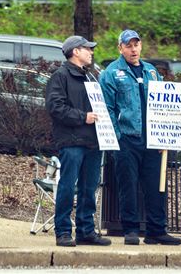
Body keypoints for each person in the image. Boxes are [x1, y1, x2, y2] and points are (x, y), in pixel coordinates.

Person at [100, 29, 181, 246]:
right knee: (127, 186)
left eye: (136, 44)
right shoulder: (111, 73)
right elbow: (107, 108)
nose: (133, 49)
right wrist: (117, 137)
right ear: (120, 48)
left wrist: (168, 128)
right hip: (127, 138)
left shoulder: (151, 71)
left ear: (141, 46)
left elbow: (165, 103)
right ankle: (131, 230)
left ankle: (157, 231)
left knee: (156, 186)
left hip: (153, 139)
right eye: (128, 45)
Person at [45, 35, 111, 247]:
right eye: (87, 49)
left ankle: (86, 231)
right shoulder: (60, 76)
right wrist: (83, 116)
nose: (91, 52)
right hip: (71, 141)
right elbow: (55, 108)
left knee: (89, 187)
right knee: (67, 186)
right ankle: (63, 232)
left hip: (93, 141)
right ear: (75, 51)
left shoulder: (91, 77)